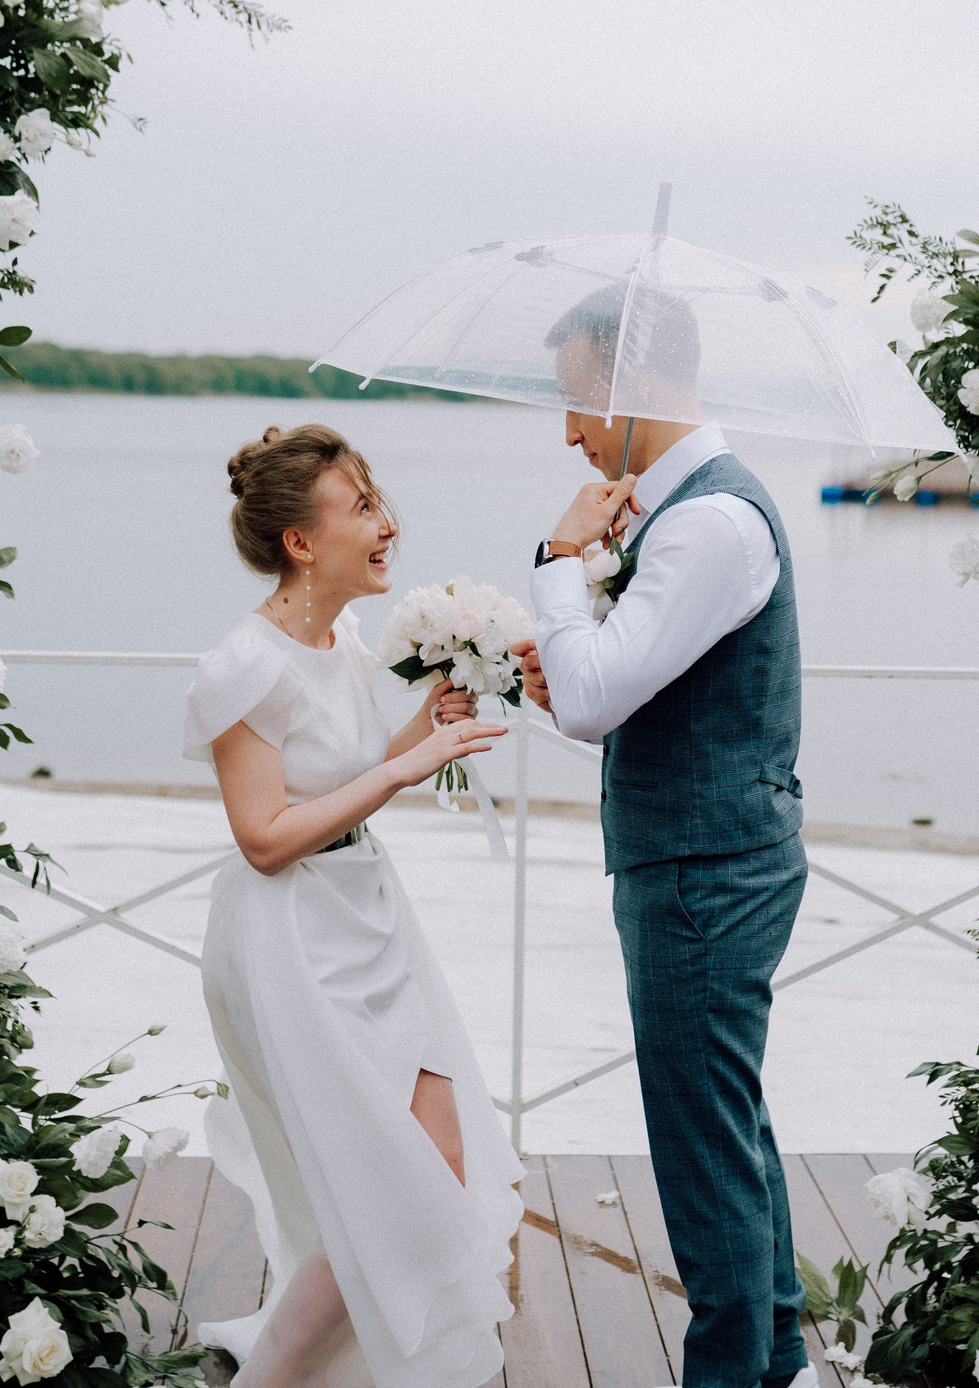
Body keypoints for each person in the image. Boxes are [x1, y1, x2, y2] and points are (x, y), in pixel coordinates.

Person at [512, 287, 811, 1388]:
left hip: (702, 876)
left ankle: (732, 1377)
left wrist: (555, 561)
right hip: (709, 855)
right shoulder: (685, 512)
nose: (570, 429)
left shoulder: (706, 523)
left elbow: (593, 699)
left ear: (632, 381)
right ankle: (779, 1363)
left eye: (578, 398)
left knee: (700, 1156)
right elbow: (617, 692)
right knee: (726, 1127)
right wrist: (573, 662)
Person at [184, 423, 523, 1388]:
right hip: (292, 941)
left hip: (369, 917)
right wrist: (406, 767)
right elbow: (263, 835)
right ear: (301, 541)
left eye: (378, 501)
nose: (387, 524)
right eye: (362, 506)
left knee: (435, 1173)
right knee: (385, 1190)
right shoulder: (242, 665)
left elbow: (357, 770)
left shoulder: (342, 641)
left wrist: (431, 718)